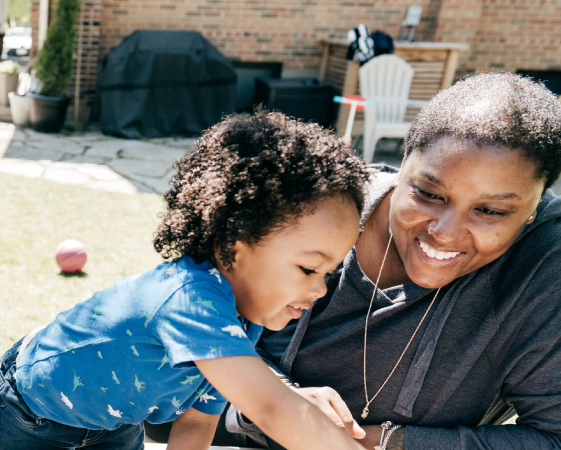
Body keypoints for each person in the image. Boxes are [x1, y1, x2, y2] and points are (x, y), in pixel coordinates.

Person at [0, 111, 372, 450]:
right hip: (33, 410)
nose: (319, 290)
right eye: (307, 269)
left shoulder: (242, 326)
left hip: (117, 422)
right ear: (238, 240)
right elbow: (273, 408)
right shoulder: (190, 299)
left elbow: (196, 424)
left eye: (328, 273)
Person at [219, 73, 561, 449]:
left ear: (534, 208)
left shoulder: (545, 265)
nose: (446, 232)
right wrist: (278, 398)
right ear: (402, 165)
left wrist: (384, 442)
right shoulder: (319, 211)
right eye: (428, 193)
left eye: (490, 211)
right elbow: (205, 325)